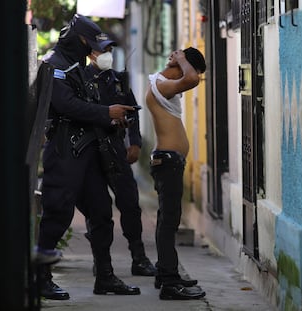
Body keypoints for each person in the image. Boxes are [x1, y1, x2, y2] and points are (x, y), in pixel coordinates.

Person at [36, 14, 141, 300]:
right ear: (77, 39)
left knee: (101, 212)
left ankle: (105, 276)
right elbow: (65, 104)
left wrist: (115, 117)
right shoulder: (53, 64)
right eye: (91, 44)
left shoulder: (77, 67)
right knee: (57, 212)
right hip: (64, 150)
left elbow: (88, 102)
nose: (94, 50)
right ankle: (40, 278)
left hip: (88, 150)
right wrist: (107, 113)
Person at [83, 45, 156, 277]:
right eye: (101, 51)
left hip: (116, 149)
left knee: (130, 204)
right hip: (91, 150)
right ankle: (102, 263)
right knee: (98, 210)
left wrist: (134, 142)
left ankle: (139, 258)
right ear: (91, 54)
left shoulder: (119, 80)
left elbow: (133, 112)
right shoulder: (81, 78)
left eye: (109, 50)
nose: (107, 55)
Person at [145, 47, 207, 300]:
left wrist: (181, 62)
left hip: (169, 160)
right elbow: (193, 78)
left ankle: (165, 273)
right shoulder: (162, 85)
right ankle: (170, 283)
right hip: (168, 161)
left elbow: (192, 77)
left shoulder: (164, 84)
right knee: (169, 221)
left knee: (167, 219)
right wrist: (181, 59)